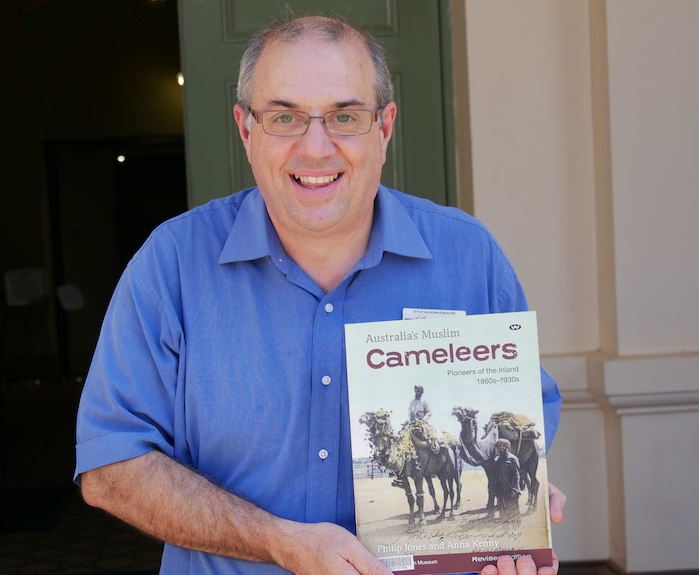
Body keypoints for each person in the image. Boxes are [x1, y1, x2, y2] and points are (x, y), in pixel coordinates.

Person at [75, 13, 566, 575]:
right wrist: (276, 541)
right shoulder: (172, 265)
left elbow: (526, 416)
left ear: (383, 128)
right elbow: (110, 466)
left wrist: (521, 504)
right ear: (245, 129)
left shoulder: (469, 257)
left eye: (345, 116)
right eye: (284, 117)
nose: (315, 148)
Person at [492, 438, 522, 521]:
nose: (501, 448)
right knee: (502, 509)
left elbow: (516, 475)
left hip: (511, 490)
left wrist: (515, 489)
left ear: (508, 448)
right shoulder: (496, 460)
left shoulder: (513, 459)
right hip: (501, 490)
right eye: (499, 446)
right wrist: (493, 487)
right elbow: (495, 475)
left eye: (503, 446)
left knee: (513, 513)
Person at [408, 384, 443, 453]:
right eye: (415, 391)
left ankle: (438, 442)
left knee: (434, 430)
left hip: (422, 422)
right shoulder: (412, 402)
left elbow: (429, 412)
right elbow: (410, 413)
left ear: (421, 392)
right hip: (413, 423)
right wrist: (410, 420)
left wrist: (424, 419)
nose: (416, 393)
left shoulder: (424, 401)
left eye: (418, 392)